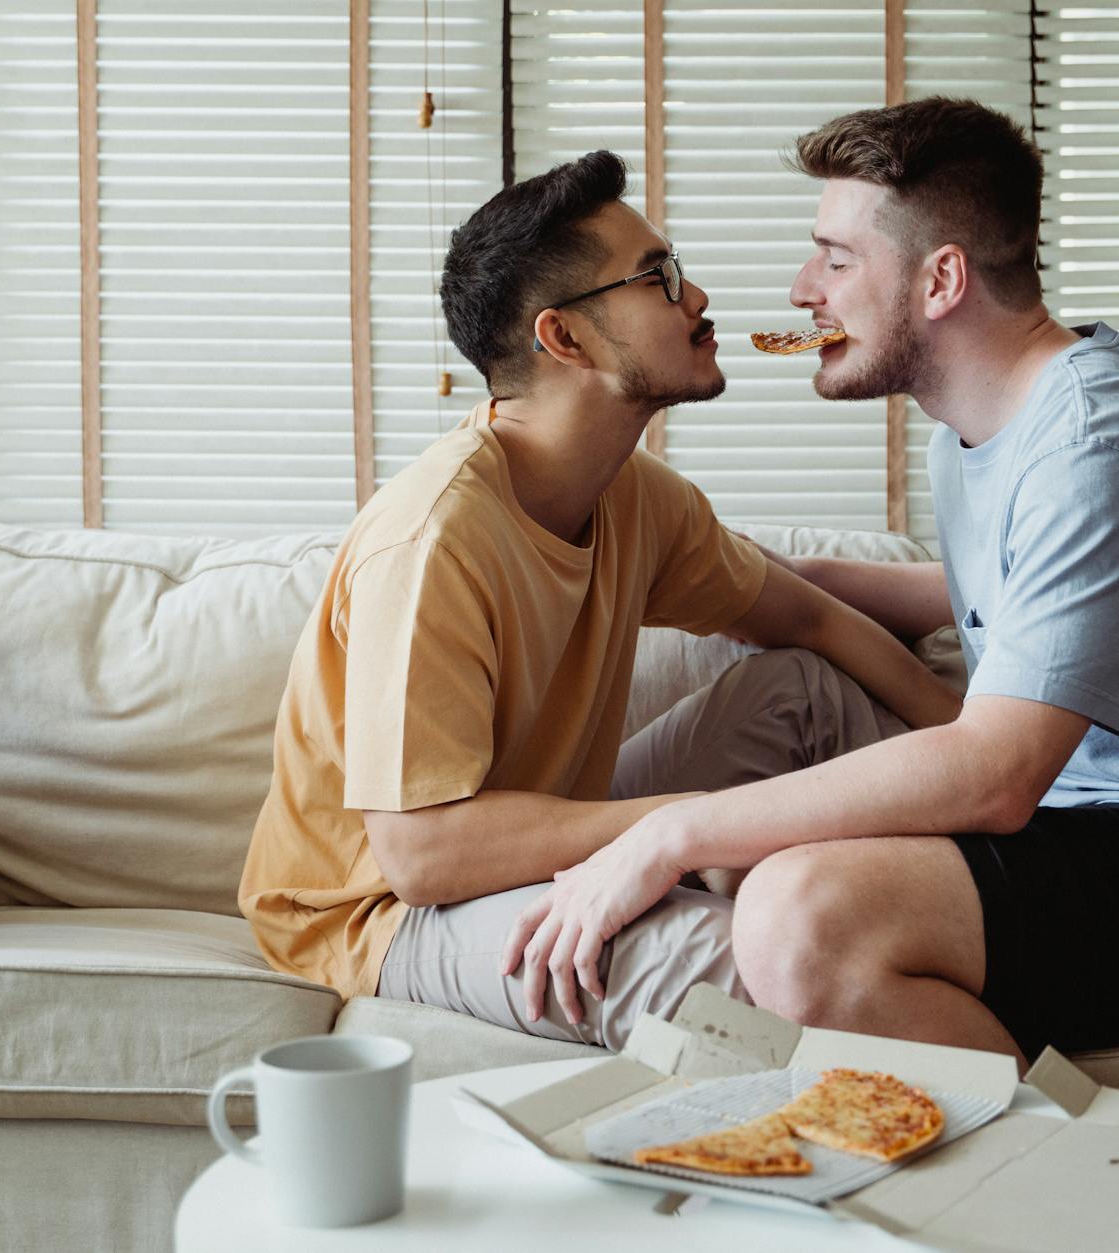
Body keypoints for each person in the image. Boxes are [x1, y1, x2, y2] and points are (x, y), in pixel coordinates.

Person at [501, 99, 1119, 1070]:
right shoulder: (973, 427)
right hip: (1102, 820)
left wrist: (664, 833)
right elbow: (1025, 593)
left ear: (941, 279)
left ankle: (1051, 1179)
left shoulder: (1101, 444)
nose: (803, 288)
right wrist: (755, 578)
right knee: (755, 800)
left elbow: (995, 774)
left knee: (798, 917)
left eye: (835, 259)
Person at [237, 150, 962, 1050]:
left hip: (533, 830)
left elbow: (806, 615)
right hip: (379, 910)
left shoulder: (635, 497)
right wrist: (689, 831)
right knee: (746, 962)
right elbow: (425, 857)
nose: (696, 299)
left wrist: (984, 749)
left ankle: (991, 889)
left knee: (798, 689)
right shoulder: (434, 540)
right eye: (660, 279)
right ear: (565, 339)